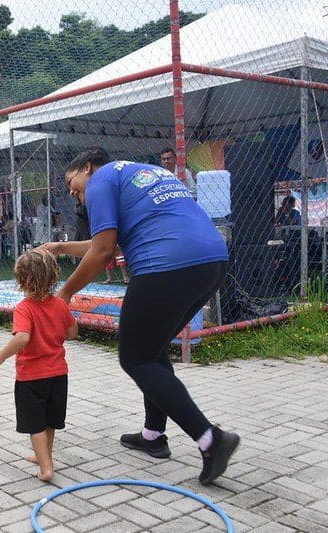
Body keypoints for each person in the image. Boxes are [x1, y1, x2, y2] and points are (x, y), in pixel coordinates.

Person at [43, 146, 239, 485]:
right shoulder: (141, 171)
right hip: (211, 260)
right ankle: (152, 435)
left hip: (166, 263)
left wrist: (64, 294)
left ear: (87, 167)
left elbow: (103, 252)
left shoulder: (102, 179)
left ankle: (210, 440)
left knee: (135, 358)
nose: (73, 194)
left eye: (72, 182)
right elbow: (111, 245)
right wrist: (59, 248)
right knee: (153, 348)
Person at [0, 249, 78, 481]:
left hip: (32, 376)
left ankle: (46, 468)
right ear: (53, 276)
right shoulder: (59, 304)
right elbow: (73, 331)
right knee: (50, 419)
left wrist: (0, 356)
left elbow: (22, 338)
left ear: (20, 279)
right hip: (58, 374)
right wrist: (53, 334)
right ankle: (44, 456)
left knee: (35, 423)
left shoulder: (24, 308)